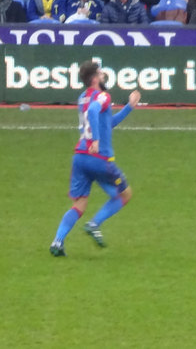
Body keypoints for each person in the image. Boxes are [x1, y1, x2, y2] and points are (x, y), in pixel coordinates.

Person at [49, 61, 141, 257]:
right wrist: (96, 141)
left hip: (80, 157)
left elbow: (107, 123)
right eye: (100, 74)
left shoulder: (82, 98)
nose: (103, 76)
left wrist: (129, 107)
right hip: (99, 158)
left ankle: (58, 241)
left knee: (79, 204)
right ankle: (94, 224)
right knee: (125, 195)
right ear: (94, 79)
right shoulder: (103, 96)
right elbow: (93, 113)